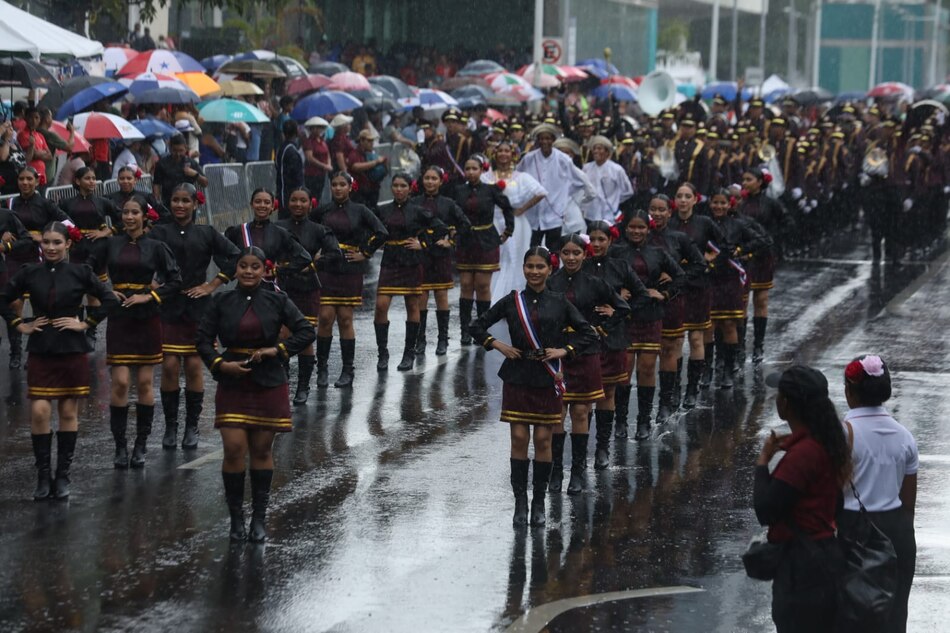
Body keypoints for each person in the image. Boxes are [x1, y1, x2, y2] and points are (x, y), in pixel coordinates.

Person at [469, 246, 597, 527]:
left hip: (546, 378)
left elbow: (588, 332)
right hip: (517, 376)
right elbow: (477, 326)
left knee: (542, 440)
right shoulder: (512, 301)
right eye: (530, 267)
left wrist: (564, 351)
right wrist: (498, 345)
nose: (535, 272)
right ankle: (520, 505)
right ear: (524, 269)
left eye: (541, 267)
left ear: (549, 270)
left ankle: (539, 502)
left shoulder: (560, 301)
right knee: (518, 439)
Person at [197, 246, 315, 542]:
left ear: (265, 270)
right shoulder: (221, 300)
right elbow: (202, 339)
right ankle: (236, 519)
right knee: (234, 449)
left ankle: (259, 519)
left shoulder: (278, 300)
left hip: (269, 380)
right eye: (243, 266)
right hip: (232, 381)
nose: (248, 272)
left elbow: (305, 331)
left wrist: (278, 350)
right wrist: (221, 365)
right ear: (235, 270)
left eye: (255, 267)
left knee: (261, 451)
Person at [0, 222, 118, 499]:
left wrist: (86, 323)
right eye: (46, 243)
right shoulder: (29, 272)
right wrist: (19, 324)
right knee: (40, 412)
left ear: (68, 244)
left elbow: (109, 299)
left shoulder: (81, 272)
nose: (51, 248)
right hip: (41, 346)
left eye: (56, 243)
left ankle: (63, 476)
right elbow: (3, 299)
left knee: (67, 413)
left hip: (72, 348)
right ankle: (43, 476)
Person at [754, 365, 852, 633]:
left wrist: (763, 462)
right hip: (822, 561)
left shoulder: (804, 454)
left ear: (786, 403)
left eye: (779, 394)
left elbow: (766, 508)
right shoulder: (823, 442)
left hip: (803, 570)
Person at [89, 195, 182, 469]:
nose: (129, 217)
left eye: (134, 213)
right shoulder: (109, 243)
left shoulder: (156, 246)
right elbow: (85, 271)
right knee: (118, 383)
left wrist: (150, 297)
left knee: (143, 384)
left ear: (145, 216)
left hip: (147, 317)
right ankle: (120, 446)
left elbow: (175, 280)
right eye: (125, 212)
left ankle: (141, 444)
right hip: (119, 317)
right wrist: (106, 291)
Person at [150, 184, 240, 449]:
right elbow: (142, 257)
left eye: (185, 201)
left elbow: (236, 255)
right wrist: (153, 285)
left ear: (195, 204)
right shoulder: (158, 232)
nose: (180, 205)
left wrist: (212, 285)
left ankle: (192, 427)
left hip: (198, 306)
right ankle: (170, 428)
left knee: (192, 367)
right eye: (175, 200)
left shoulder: (206, 232)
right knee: (168, 366)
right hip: (167, 305)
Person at [841, 355, 918, 633]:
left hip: (852, 531)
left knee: (848, 617)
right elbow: (908, 501)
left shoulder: (842, 434)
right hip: (897, 533)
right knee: (894, 618)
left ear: (849, 392)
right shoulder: (905, 437)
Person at [547, 234, 630, 491]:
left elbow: (622, 308)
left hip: (587, 352)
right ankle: (556, 470)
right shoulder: (550, 282)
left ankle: (578, 472)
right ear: (559, 254)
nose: (571, 258)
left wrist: (601, 329)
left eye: (576, 253)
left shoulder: (596, 283)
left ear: (585, 254)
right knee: (556, 414)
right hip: (558, 354)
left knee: (581, 412)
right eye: (566, 253)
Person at [609, 210, 684, 440]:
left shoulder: (658, 253)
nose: (636, 231)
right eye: (632, 227)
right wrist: (615, 291)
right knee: (624, 371)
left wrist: (664, 293)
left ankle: (644, 421)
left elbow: (680, 275)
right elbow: (601, 278)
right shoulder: (616, 252)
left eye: (641, 227)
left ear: (648, 229)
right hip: (625, 317)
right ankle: (620, 421)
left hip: (651, 316)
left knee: (648, 368)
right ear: (625, 228)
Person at [309, 172, 388, 388]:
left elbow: (381, 232)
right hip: (327, 267)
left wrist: (366, 252)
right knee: (325, 318)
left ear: (350, 187)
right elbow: (307, 231)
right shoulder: (323, 211)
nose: (338, 188)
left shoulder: (361, 210)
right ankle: (322, 368)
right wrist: (313, 251)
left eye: (342, 184)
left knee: (345, 318)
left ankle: (347, 370)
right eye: (334, 184)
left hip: (350, 269)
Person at [275, 187, 342, 404]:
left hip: (307, 287)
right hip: (282, 286)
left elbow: (334, 253)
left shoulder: (319, 229)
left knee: (304, 337)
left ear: (310, 203)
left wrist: (313, 265)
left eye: (302, 200)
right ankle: (283, 381)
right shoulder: (277, 227)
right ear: (287, 202)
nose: (298, 204)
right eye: (293, 200)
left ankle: (303, 386)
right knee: (282, 334)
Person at [583, 220, 648, 440]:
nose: (596, 244)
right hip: (586, 337)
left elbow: (642, 295)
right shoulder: (580, 265)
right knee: (585, 394)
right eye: (592, 239)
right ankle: (586, 442)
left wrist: (620, 309)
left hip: (614, 336)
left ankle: (605, 441)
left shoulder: (620, 266)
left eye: (602, 239)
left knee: (609, 389)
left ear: (611, 240)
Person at [373, 174, 440, 372]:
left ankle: (408, 353)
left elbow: (440, 227)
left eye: (403, 186)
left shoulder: (419, 211)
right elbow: (371, 231)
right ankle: (382, 353)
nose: (399, 189)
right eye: (395, 185)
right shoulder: (383, 210)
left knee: (412, 305)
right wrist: (364, 251)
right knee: (381, 305)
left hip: (411, 261)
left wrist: (424, 243)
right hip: (390, 260)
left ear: (410, 188)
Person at [705, 189, 771, 388]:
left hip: (730, 278)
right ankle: (710, 366)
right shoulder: (705, 224)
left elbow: (762, 241)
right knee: (709, 325)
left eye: (722, 203)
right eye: (715, 202)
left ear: (730, 204)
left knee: (729, 324)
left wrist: (741, 251)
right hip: (709, 278)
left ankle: (728, 368)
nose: (718, 206)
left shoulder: (738, 225)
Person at [7, 166, 70, 368]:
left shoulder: (45, 203)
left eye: (29, 179)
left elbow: (69, 224)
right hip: (14, 256)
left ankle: (35, 349)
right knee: (14, 304)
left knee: (38, 302)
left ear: (37, 181)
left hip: (37, 256)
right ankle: (15, 352)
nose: (25, 183)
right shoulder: (10, 202)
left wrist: (44, 236)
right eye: (21, 179)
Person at [667, 182, 721, 408]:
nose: (683, 200)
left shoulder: (704, 222)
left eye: (687, 196)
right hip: (677, 286)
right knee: (676, 339)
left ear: (695, 199)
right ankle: (676, 389)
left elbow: (722, 244)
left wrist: (709, 259)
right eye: (679, 196)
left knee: (696, 337)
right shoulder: (669, 224)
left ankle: (692, 388)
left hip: (698, 284)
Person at [452, 155, 514, 345]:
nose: (471, 172)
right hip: (465, 240)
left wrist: (508, 230)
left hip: (486, 240)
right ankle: (464, 330)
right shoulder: (458, 191)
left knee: (483, 285)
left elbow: (507, 208)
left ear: (482, 170)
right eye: (468, 168)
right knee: (466, 285)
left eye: (474, 168)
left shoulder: (491, 189)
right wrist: (451, 231)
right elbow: (450, 212)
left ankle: (481, 328)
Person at [411, 165, 470, 356]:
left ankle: (442, 340)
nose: (430, 182)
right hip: (419, 254)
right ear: (421, 180)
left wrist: (451, 241)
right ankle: (420, 340)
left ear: (441, 181)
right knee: (421, 297)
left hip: (440, 256)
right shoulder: (414, 202)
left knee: (441, 296)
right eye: (427, 178)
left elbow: (465, 224)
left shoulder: (448, 203)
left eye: (434, 178)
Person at [483, 140, 546, 303]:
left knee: (516, 258)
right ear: (495, 154)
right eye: (500, 150)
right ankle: (491, 296)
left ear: (513, 155)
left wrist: (522, 209)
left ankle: (517, 296)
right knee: (495, 258)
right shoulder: (486, 176)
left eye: (507, 150)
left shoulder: (521, 177)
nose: (503, 154)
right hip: (492, 223)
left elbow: (540, 192)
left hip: (516, 223)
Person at [516, 124, 594, 250]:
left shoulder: (563, 159)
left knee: (554, 251)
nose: (545, 141)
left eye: (548, 138)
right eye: (541, 138)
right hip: (532, 215)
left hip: (555, 215)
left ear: (553, 140)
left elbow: (579, 181)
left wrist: (564, 195)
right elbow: (517, 176)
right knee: (532, 249)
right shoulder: (529, 158)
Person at [738, 166, 787, 364]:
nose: (744, 183)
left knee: (761, 300)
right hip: (743, 257)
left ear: (760, 182)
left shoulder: (771, 203)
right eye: (743, 179)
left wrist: (771, 238)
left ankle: (758, 345)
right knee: (741, 303)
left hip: (763, 256)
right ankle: (739, 346)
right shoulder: (739, 203)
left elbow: (788, 222)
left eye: (749, 179)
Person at [581, 135, 634, 224]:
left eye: (599, 148)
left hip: (609, 215)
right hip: (590, 215)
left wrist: (614, 200)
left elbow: (628, 191)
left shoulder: (616, 169)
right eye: (594, 149)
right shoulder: (586, 168)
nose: (596, 151)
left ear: (607, 152)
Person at [153, 135, 208, 208]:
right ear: (170, 148)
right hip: (168, 203)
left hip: (188, 204)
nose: (178, 154)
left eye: (181, 151)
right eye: (175, 150)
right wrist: (157, 201)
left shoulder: (191, 163)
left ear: (186, 149)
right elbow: (156, 183)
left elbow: (205, 183)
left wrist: (195, 174)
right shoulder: (162, 163)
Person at [346, 129, 388, 211]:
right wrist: (376, 162)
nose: (371, 143)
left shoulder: (372, 154)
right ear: (361, 141)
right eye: (369, 140)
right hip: (359, 192)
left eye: (372, 140)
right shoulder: (354, 154)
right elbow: (355, 167)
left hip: (372, 190)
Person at [17, 107, 52, 187]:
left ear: (40, 120)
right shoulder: (22, 134)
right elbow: (33, 155)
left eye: (36, 118)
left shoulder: (40, 136)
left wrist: (38, 153)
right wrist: (42, 152)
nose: (33, 120)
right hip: (29, 176)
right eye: (31, 117)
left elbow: (50, 155)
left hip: (42, 175)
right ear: (25, 118)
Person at [276, 120, 304, 214]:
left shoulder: (282, 148)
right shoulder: (290, 151)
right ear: (296, 132)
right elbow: (296, 175)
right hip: (289, 194)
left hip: (286, 193)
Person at [302, 117, 333, 203]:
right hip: (312, 174)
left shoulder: (322, 141)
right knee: (312, 195)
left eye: (320, 127)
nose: (319, 130)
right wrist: (324, 166)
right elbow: (309, 158)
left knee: (318, 195)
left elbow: (327, 154)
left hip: (321, 174)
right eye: (317, 127)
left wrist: (328, 165)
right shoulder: (309, 141)